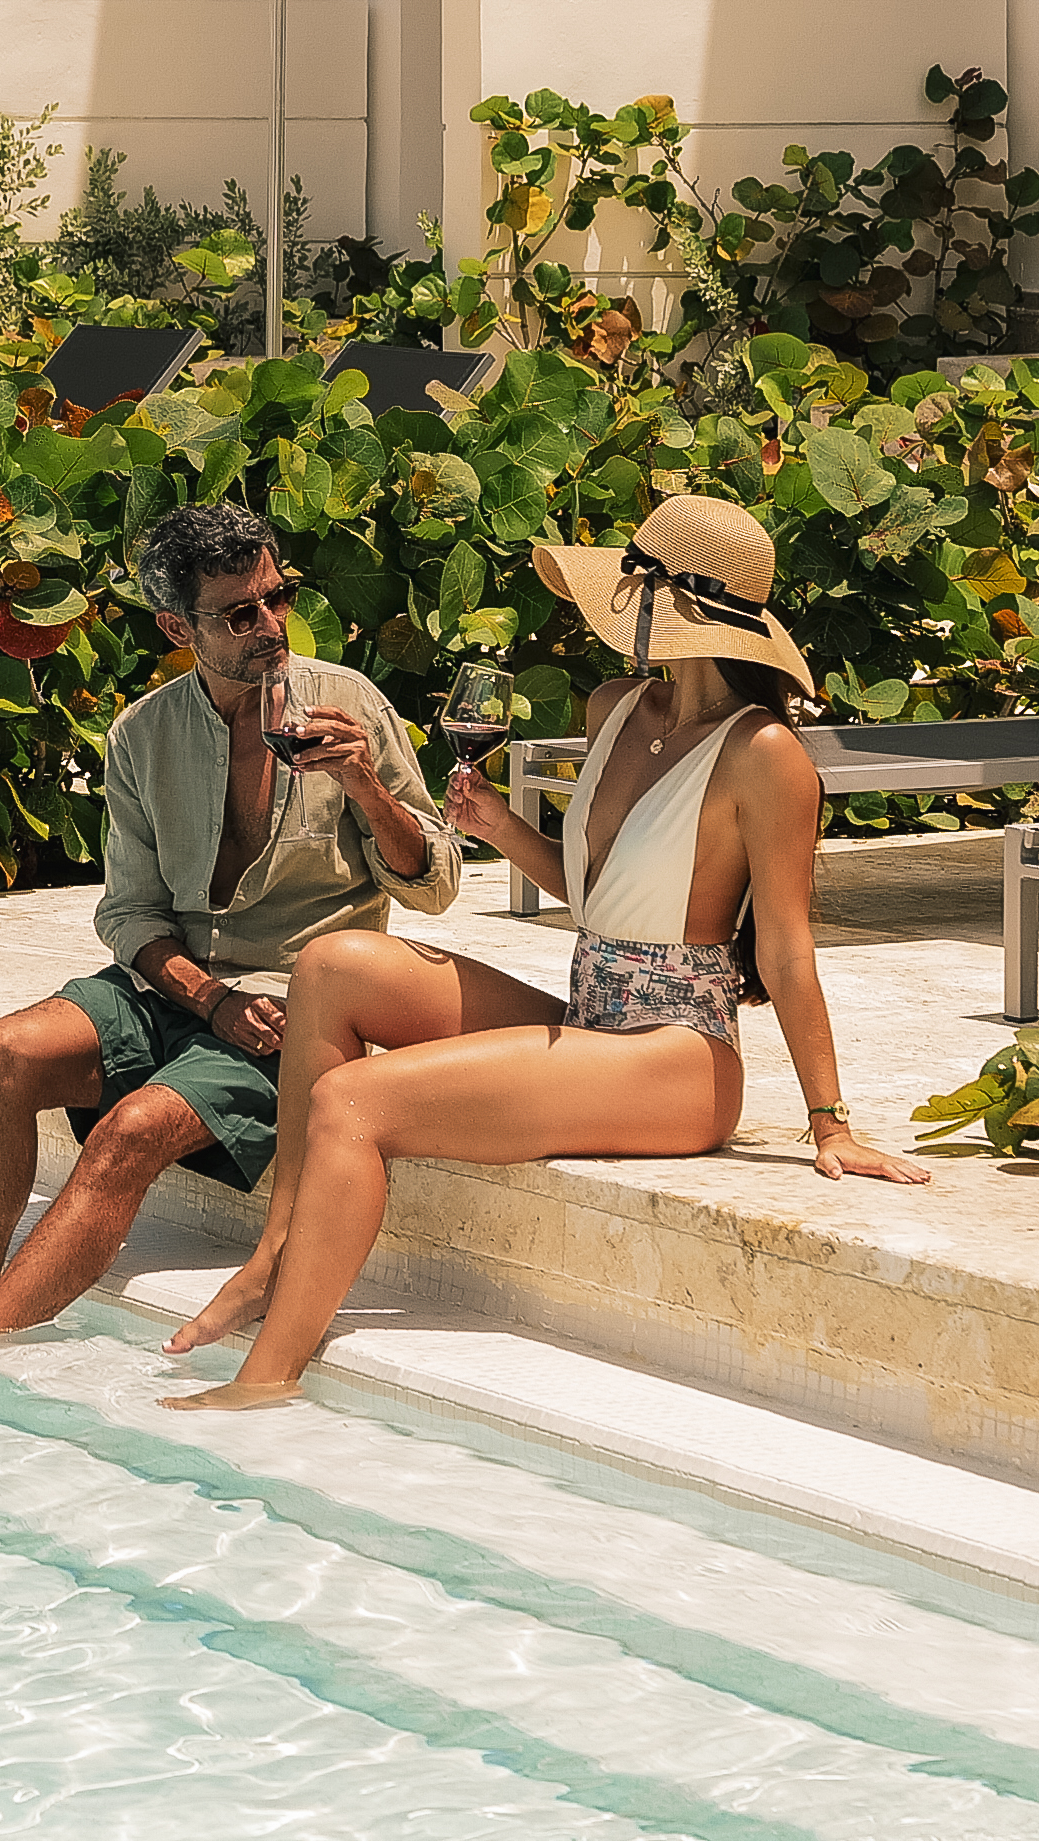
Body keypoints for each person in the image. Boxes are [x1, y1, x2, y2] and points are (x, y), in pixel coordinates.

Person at [166, 487, 912, 1411]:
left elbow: (790, 952)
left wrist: (830, 1121)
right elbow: (601, 889)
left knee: (353, 1100)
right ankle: (271, 1255)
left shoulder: (767, 755)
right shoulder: (619, 705)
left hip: (677, 1057)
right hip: (592, 1016)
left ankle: (266, 1376)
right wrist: (496, 825)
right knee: (331, 964)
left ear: (663, 607)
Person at [0, 496, 449, 1359]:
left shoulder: (349, 706)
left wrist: (367, 788)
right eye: (240, 611)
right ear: (175, 623)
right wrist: (206, 996)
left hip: (292, 1010)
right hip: (183, 983)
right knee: (8, 1049)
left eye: (280, 596)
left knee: (131, 1130)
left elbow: (437, 885)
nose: (271, 624)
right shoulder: (144, 732)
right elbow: (130, 912)